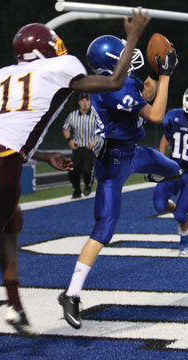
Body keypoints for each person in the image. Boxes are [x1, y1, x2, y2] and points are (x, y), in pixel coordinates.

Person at [0, 9, 150, 357]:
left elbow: (14, 126)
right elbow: (113, 83)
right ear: (46, 48)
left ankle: (15, 307)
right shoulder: (61, 66)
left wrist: (44, 157)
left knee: (13, 225)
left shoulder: (3, 76)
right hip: (3, 160)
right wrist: (132, 37)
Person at [58, 31, 181, 329]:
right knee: (104, 228)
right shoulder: (111, 89)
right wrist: (165, 77)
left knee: (174, 170)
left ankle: (154, 174)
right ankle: (71, 293)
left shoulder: (118, 81)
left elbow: (145, 94)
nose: (130, 57)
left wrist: (156, 71)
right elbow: (156, 114)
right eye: (123, 56)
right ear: (111, 65)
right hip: (113, 164)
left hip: (134, 152)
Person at [152, 89, 188, 257]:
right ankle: (180, 214)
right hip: (174, 170)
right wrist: (161, 160)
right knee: (159, 204)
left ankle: (184, 241)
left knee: (181, 215)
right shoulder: (175, 116)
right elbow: (166, 138)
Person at [63, 93, 96, 198]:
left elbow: (103, 130)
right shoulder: (72, 115)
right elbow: (65, 128)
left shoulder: (96, 115)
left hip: (90, 149)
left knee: (87, 170)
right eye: (82, 100)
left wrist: (95, 141)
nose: (85, 103)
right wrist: (69, 140)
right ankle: (77, 190)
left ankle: (87, 185)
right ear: (79, 102)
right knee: (72, 172)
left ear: (90, 102)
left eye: (87, 100)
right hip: (77, 148)